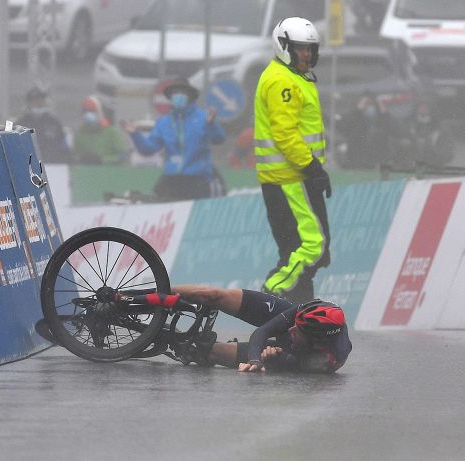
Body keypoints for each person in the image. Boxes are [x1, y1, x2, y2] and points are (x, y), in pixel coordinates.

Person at [253, 17, 331, 303]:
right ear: (285, 46)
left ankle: (299, 308)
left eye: (311, 49)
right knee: (313, 247)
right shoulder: (282, 81)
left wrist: (314, 170)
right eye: (301, 49)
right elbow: (285, 135)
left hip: (295, 177)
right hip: (290, 179)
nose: (307, 55)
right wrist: (312, 167)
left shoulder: (291, 77)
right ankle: (271, 293)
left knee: (299, 249)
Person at [169, 284, 351, 373]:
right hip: (299, 339)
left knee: (209, 352)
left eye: (298, 330)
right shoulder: (309, 313)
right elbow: (263, 331)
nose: (290, 329)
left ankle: (163, 337)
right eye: (294, 324)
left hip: (291, 354)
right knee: (214, 295)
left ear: (314, 340)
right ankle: (156, 291)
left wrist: (268, 358)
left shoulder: (324, 359)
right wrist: (254, 359)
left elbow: (289, 365)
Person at [123, 79, 226, 201]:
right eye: (175, 93)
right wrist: (136, 135)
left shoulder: (203, 117)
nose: (178, 96)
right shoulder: (163, 122)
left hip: (198, 179)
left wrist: (211, 124)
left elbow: (219, 139)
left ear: (190, 96)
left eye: (182, 93)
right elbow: (148, 149)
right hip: (172, 179)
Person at [337, 90, 395, 169]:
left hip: (375, 166)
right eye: (366, 104)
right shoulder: (355, 122)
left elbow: (397, 129)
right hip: (355, 165)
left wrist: (383, 111)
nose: (369, 108)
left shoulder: (382, 122)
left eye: (371, 104)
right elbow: (341, 126)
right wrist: (358, 110)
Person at [16, 87, 72, 163]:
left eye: (41, 100)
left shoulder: (54, 122)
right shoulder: (21, 123)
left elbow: (64, 146)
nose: (39, 103)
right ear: (28, 103)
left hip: (52, 166)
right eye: (35, 100)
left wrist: (67, 162)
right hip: (28, 166)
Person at [72, 95, 127, 165]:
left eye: (92, 111)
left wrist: (102, 160)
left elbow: (122, 156)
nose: (88, 114)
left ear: (100, 112)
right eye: (86, 111)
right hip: (85, 173)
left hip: (107, 173)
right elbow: (73, 155)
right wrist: (81, 159)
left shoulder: (111, 132)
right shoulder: (80, 133)